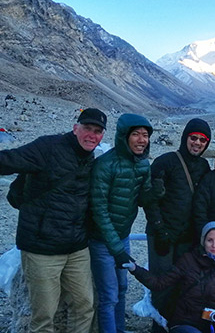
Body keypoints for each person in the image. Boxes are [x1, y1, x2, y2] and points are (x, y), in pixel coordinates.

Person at [0, 107, 108, 333]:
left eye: (98, 131)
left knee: (84, 307)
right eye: (87, 128)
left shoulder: (90, 159)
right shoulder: (47, 148)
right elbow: (4, 160)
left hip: (77, 248)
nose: (92, 135)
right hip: (42, 248)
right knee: (43, 317)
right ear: (75, 128)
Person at [89, 113, 159, 333]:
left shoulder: (143, 164)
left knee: (122, 288)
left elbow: (143, 199)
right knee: (109, 294)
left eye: (145, 135)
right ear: (123, 136)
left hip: (122, 236)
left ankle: (118, 329)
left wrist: (156, 194)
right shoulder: (105, 165)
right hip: (101, 240)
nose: (141, 140)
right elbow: (98, 210)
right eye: (136, 134)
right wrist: (117, 249)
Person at [145, 118, 212, 331]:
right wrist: (159, 228)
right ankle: (158, 328)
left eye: (203, 140)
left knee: (184, 285)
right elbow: (150, 200)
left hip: (187, 238)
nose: (198, 143)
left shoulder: (203, 166)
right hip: (162, 236)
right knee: (161, 286)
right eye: (194, 138)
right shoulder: (165, 162)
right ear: (185, 138)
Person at [122, 221, 215, 333]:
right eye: (210, 240)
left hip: (213, 324)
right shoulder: (188, 260)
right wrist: (135, 269)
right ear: (203, 241)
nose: (214, 245)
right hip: (185, 322)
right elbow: (160, 283)